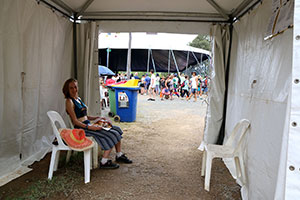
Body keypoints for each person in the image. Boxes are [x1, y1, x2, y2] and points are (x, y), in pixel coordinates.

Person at [62, 78, 132, 169]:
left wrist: (98, 118)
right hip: (82, 128)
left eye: (75, 87)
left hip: (88, 125)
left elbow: (86, 116)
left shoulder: (78, 99)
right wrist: (90, 127)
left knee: (116, 129)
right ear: (67, 89)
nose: (74, 90)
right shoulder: (69, 101)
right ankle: (104, 162)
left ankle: (119, 155)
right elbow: (75, 121)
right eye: (71, 88)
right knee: (111, 134)